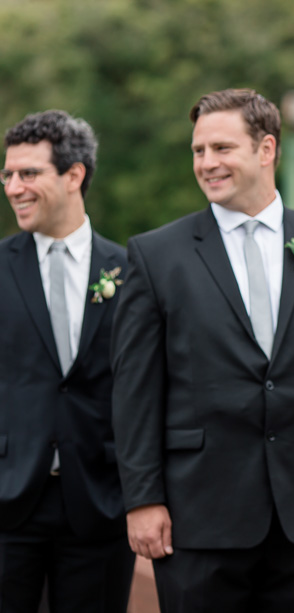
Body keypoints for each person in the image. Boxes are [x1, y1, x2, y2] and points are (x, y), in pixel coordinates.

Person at [110, 89, 294, 612]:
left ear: (266, 150)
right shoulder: (155, 255)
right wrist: (143, 500)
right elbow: (135, 390)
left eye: (221, 148)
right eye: (198, 151)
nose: (207, 163)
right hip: (198, 515)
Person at [0, 110, 135, 612]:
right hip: (7, 505)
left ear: (74, 175)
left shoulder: (131, 270)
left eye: (28, 173)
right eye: (7, 175)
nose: (14, 187)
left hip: (100, 503)